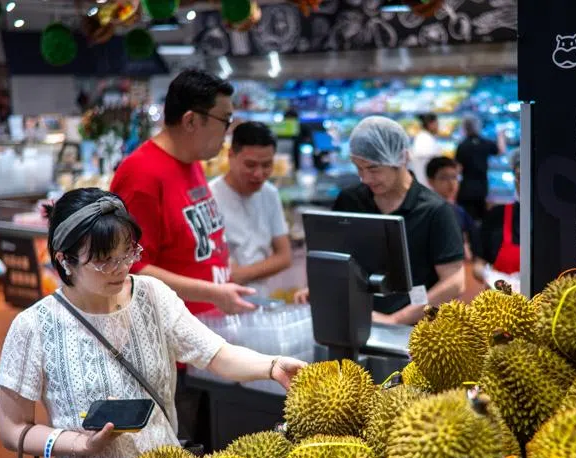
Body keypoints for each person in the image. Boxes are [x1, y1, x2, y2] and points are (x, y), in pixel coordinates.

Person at [0, 188, 307, 458]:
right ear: (64, 260)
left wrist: (271, 366)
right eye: (103, 260)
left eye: (127, 253)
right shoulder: (35, 326)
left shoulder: (153, 296)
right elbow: (13, 428)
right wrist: (78, 443)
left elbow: (215, 354)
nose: (121, 268)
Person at [110, 68, 256, 317]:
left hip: (209, 329)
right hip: (171, 336)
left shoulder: (192, 161)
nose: (228, 132)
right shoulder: (141, 175)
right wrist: (211, 292)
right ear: (191, 121)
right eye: (225, 121)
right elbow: (130, 267)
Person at [295, 116, 465, 325]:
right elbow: (337, 259)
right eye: (359, 169)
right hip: (356, 321)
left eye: (374, 169)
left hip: (416, 332)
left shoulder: (435, 211)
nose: (365, 179)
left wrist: (395, 320)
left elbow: (455, 281)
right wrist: (319, 288)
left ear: (401, 159)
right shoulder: (351, 201)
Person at [211, 122, 292, 296]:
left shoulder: (269, 193)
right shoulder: (211, 197)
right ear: (230, 155)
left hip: (261, 297)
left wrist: (241, 274)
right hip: (219, 299)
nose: (259, 174)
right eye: (250, 165)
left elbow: (284, 257)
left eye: (266, 165)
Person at [474, 151, 521, 280]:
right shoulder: (496, 216)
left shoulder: (553, 221)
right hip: (505, 297)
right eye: (519, 177)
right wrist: (503, 285)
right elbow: (478, 266)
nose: (524, 183)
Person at [454, 115, 507, 222]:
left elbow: (457, 168)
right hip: (482, 187)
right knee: (481, 219)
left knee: (466, 220)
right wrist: (501, 134)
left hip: (466, 188)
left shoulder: (462, 145)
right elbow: (501, 150)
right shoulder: (485, 143)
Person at [426, 156, 478, 261]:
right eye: (444, 178)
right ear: (431, 181)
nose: (451, 183)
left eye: (454, 177)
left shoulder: (460, 211)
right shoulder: (426, 212)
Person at [411, 113, 443, 188]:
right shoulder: (424, 140)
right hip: (426, 184)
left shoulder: (425, 138)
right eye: (437, 124)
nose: (438, 127)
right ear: (430, 124)